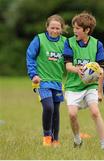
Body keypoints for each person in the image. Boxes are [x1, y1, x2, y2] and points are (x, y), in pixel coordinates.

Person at [63, 11, 104, 150]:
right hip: (72, 86)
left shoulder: (97, 44)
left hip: (91, 86)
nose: (74, 31)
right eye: (74, 28)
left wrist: (97, 72)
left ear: (87, 30)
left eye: (77, 28)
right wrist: (77, 70)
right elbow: (68, 65)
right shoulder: (69, 42)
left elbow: (101, 68)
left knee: (95, 112)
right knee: (72, 114)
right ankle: (77, 140)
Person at [26, 14, 67, 146]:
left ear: (62, 29)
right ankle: (47, 137)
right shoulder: (39, 39)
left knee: (56, 110)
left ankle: (56, 140)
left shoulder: (66, 42)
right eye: (52, 28)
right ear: (47, 27)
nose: (55, 31)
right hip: (42, 81)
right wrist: (33, 75)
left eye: (57, 28)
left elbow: (71, 59)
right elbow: (30, 56)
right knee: (48, 107)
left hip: (57, 82)